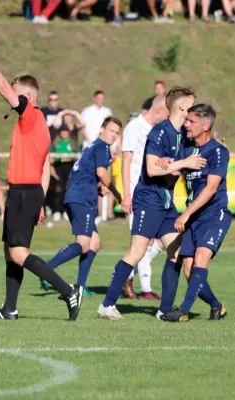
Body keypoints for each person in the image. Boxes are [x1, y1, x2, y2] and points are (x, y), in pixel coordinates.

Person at [0, 42, 82, 321]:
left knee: (19, 254)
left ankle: (68, 291)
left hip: (23, 194)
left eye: (17, 94)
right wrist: (39, 201)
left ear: (27, 96)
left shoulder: (31, 115)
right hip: (25, 193)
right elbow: (43, 167)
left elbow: (5, 88)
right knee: (10, 252)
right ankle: (10, 309)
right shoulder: (36, 122)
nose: (11, 99)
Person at [97, 87, 205, 320]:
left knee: (176, 253)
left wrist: (179, 164)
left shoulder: (181, 135)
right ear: (182, 107)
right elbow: (151, 168)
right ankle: (107, 304)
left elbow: (175, 168)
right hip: (148, 201)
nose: (194, 109)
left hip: (166, 203)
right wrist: (178, 163)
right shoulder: (159, 131)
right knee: (136, 253)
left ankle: (164, 311)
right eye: (192, 104)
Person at [160, 104, 229, 322]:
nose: (186, 125)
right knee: (189, 271)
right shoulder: (187, 148)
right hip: (194, 217)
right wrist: (166, 163)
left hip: (215, 214)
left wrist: (185, 214)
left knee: (201, 258)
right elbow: (173, 169)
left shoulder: (218, 151)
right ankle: (217, 306)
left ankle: (183, 311)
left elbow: (211, 188)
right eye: (186, 120)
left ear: (206, 126)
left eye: (191, 121)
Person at [43, 118, 122, 297]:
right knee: (83, 244)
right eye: (111, 130)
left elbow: (83, 174)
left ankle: (79, 287)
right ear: (102, 130)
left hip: (77, 196)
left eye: (117, 133)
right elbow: (102, 173)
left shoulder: (93, 147)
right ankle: (46, 270)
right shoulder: (102, 146)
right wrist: (116, 193)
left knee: (94, 244)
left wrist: (98, 187)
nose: (114, 135)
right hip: (82, 199)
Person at [120, 95, 169, 300]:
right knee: (141, 243)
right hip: (136, 194)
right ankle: (146, 290)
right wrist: (126, 194)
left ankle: (126, 275)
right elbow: (126, 161)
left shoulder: (156, 131)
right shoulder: (134, 127)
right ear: (158, 110)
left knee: (157, 242)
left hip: (153, 194)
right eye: (167, 113)